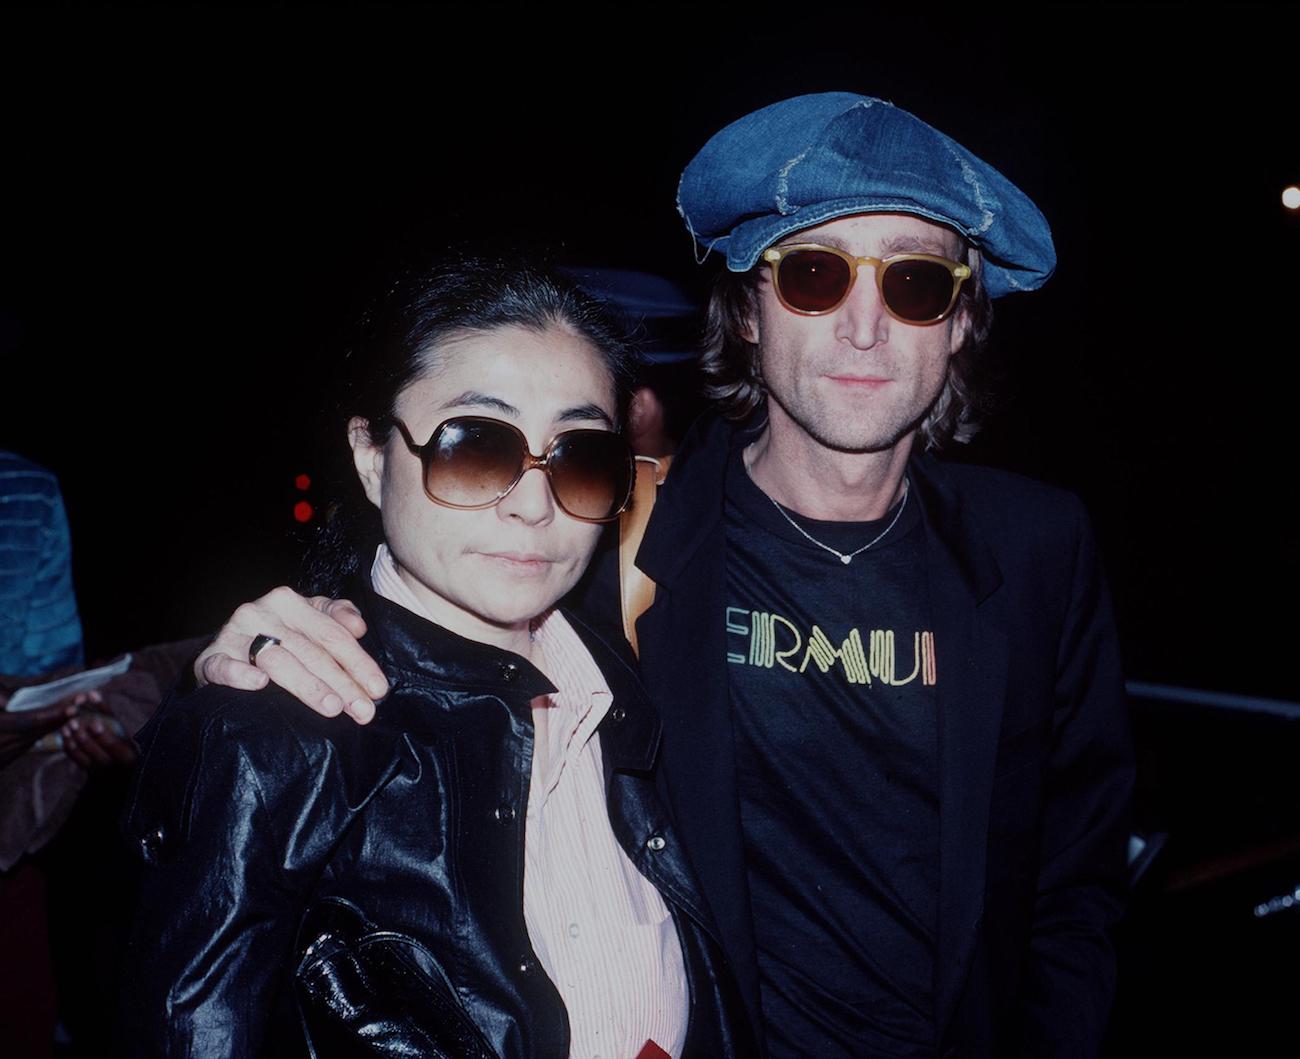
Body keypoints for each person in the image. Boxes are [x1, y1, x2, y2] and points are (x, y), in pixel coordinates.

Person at [196, 95, 1134, 1058]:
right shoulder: (619, 532)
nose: (866, 327)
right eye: (814, 275)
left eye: (917, 284)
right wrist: (277, 637)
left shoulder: (1037, 551)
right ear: (749, 311)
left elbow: (1075, 883)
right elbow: (434, 594)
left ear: (962, 321)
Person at [121, 254, 751, 1058]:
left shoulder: (626, 685)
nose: (532, 503)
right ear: (373, 454)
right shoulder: (283, 724)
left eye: (580, 455)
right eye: (475, 447)